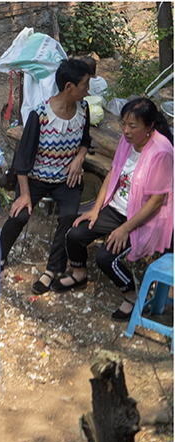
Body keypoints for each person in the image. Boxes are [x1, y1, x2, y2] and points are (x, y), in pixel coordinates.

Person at [58, 98, 173, 320]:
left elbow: (156, 201)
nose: (126, 130)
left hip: (142, 218)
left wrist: (126, 229)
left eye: (132, 126)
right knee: (74, 234)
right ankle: (79, 274)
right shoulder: (127, 141)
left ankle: (132, 295)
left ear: (149, 127)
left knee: (105, 258)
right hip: (116, 208)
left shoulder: (162, 152)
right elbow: (114, 171)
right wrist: (96, 208)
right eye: (123, 123)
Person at [0, 59, 92, 294]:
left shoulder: (84, 110)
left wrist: (80, 157)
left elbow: (86, 140)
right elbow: (23, 158)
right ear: (69, 87)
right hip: (36, 179)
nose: (87, 90)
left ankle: (52, 270)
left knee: (69, 216)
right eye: (85, 85)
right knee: (20, 214)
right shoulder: (40, 115)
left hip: (67, 181)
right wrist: (25, 194)